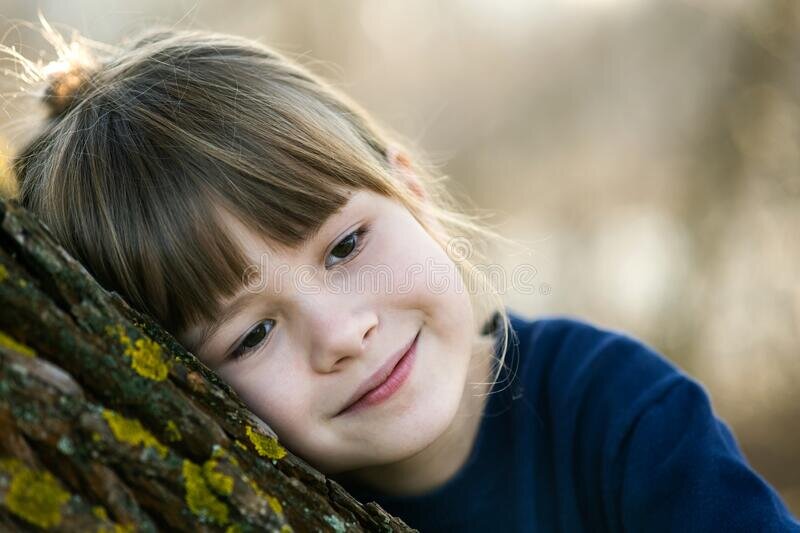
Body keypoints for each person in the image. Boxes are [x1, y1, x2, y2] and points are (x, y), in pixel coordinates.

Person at [6, 23, 799, 532]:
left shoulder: (617, 413)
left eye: (344, 246)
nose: (344, 334)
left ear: (409, 189)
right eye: (251, 334)